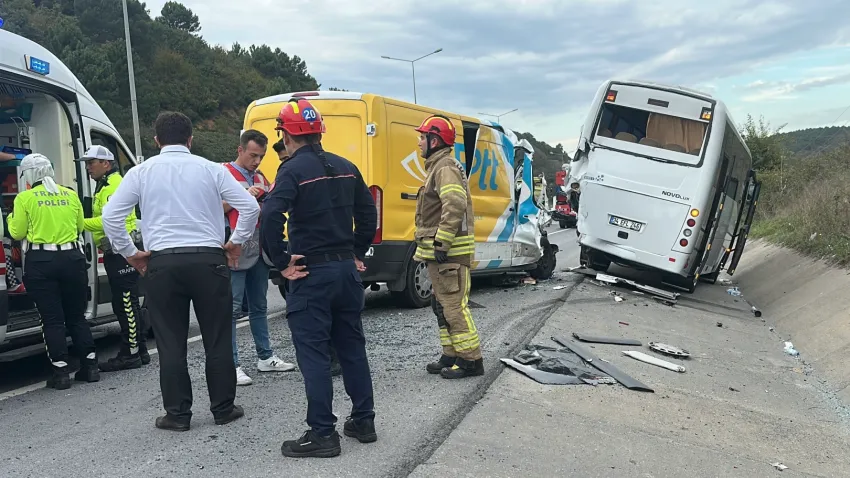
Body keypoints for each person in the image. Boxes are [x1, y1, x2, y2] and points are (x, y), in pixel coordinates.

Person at [101, 111, 259, 431]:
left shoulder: (141, 172)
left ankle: (177, 414)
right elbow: (250, 206)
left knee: (170, 341)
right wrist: (236, 242)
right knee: (217, 337)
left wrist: (131, 254)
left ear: (156, 140)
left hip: (163, 263)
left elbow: (110, 216)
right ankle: (223, 408)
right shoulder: (211, 169)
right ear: (191, 139)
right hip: (209, 260)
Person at [261, 98, 377, 458]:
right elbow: (368, 212)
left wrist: (281, 262)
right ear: (319, 132)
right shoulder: (346, 167)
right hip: (345, 272)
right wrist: (356, 251)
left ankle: (323, 433)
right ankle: (364, 421)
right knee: (352, 348)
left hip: (312, 274)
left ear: (286, 135)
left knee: (314, 354)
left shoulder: (291, 170)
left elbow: (271, 215)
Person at [7, 153, 99, 389]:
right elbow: (80, 227)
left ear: (28, 175)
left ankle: (61, 372)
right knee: (77, 316)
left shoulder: (25, 198)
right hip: (73, 258)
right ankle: (90, 366)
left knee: (52, 319)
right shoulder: (70, 194)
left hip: (42, 261)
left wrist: (9, 219)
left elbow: (17, 233)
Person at [413, 115, 484, 380]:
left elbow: (454, 204)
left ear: (434, 141)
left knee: (453, 308)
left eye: (422, 137)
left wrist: (442, 242)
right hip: (442, 255)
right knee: (442, 306)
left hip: (449, 254)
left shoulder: (444, 168)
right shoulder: (439, 167)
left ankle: (471, 361)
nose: (419, 142)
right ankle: (451, 354)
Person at [223, 129, 296, 386]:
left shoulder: (261, 177)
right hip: (234, 248)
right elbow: (212, 208)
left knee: (259, 306)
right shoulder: (223, 174)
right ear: (240, 150)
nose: (257, 161)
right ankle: (231, 365)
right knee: (231, 309)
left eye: (261, 157)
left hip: (259, 249)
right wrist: (244, 198)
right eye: (253, 155)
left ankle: (265, 357)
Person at [75, 145, 150, 371]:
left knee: (125, 302)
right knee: (126, 302)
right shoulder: (106, 184)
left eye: (91, 163)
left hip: (121, 251)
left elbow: (108, 219)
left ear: (106, 164)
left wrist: (78, 223)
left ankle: (131, 354)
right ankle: (140, 349)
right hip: (117, 250)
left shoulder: (113, 185)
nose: (88, 168)